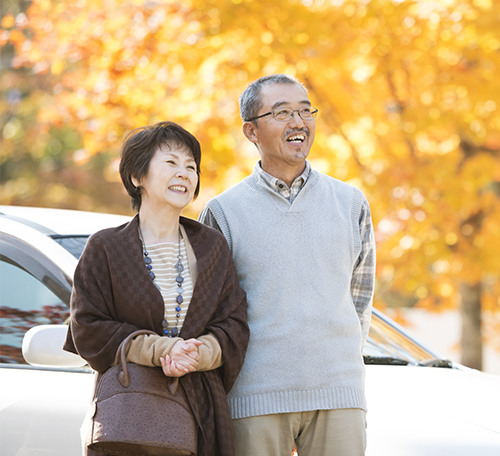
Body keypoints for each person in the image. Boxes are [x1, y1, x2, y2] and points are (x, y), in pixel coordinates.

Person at [198, 74, 375, 456]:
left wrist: (338, 363)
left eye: (304, 110)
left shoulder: (351, 203)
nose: (299, 122)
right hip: (255, 395)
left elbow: (359, 298)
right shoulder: (223, 213)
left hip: (338, 392)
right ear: (251, 131)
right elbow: (210, 311)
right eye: (281, 112)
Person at [64, 121, 249, 456]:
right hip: (128, 413)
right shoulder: (106, 247)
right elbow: (87, 327)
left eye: (191, 166)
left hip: (200, 408)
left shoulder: (212, 247)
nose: (184, 173)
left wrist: (194, 354)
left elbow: (234, 324)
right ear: (138, 177)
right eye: (171, 163)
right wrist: (161, 351)